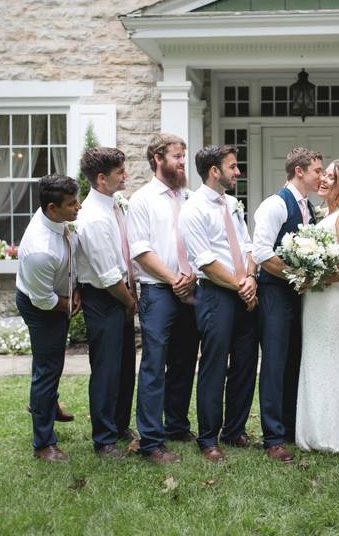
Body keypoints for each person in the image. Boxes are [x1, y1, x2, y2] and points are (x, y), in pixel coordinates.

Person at [180, 145, 259, 463]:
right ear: (215, 171)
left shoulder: (231, 204)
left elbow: (248, 245)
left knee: (246, 362)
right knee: (214, 366)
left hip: (244, 291)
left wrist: (251, 278)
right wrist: (241, 286)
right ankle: (208, 438)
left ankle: (235, 430)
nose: (237, 172)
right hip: (216, 294)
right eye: (232, 166)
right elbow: (206, 262)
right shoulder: (193, 209)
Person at [128, 133, 200, 464]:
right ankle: (151, 441)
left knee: (185, 360)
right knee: (155, 365)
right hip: (159, 292)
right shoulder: (141, 200)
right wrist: (174, 280)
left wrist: (193, 277)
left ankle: (176, 425)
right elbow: (140, 250)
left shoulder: (191, 198)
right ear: (158, 158)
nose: (183, 163)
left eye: (184, 157)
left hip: (192, 289)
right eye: (177, 157)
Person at [252, 147, 323, 463]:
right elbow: (262, 253)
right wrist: (296, 275)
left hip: (297, 295)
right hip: (275, 295)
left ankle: (290, 426)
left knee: (294, 358)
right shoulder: (275, 205)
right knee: (275, 363)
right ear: (299, 171)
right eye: (317, 171)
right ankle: (272, 438)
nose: (320, 176)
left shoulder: (308, 207)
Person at [295, 159, 339, 453]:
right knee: (313, 360)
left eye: (331, 176)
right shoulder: (328, 213)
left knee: (327, 362)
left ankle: (332, 436)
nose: (323, 179)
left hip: (330, 297)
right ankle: (313, 431)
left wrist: (316, 275)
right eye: (323, 174)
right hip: (316, 297)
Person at [15, 174, 81, 462]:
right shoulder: (40, 250)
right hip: (41, 305)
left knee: (49, 363)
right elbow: (42, 299)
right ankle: (44, 443)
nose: (78, 207)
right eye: (71, 204)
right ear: (51, 209)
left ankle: (47, 404)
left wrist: (74, 287)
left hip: (57, 296)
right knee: (48, 369)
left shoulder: (55, 218)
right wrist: (68, 302)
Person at [76, 147, 137, 459]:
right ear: (101, 179)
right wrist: (129, 303)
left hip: (121, 292)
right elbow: (108, 275)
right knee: (106, 368)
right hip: (105, 297)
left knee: (126, 365)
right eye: (119, 173)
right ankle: (103, 439)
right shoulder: (94, 218)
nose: (125, 176)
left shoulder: (115, 205)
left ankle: (119, 424)